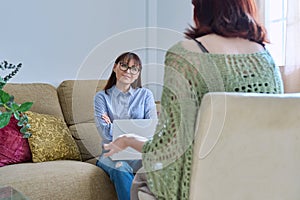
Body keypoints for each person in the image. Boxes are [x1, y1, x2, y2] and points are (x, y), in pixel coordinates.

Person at [103, 0, 284, 199]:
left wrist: (128, 139)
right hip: (258, 182)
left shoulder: (185, 54)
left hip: (204, 184)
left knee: (140, 180)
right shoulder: (267, 59)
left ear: (201, 8)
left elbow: (168, 148)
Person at [94, 52, 157, 200]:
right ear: (115, 67)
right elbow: (105, 133)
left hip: (139, 153)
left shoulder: (145, 95)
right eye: (124, 65)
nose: (128, 71)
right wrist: (137, 128)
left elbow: (152, 129)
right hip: (110, 153)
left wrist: (114, 125)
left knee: (159, 165)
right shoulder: (102, 97)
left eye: (134, 68)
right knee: (120, 168)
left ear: (137, 74)